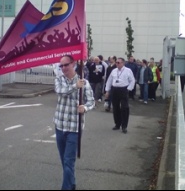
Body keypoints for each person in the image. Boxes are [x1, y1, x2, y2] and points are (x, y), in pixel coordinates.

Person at [54, 55, 95, 190]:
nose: (63, 68)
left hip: (74, 128)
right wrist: (75, 86)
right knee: (64, 161)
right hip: (60, 125)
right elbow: (60, 92)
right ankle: (72, 184)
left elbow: (91, 101)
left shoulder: (84, 83)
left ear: (74, 63)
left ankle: (66, 187)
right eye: (61, 66)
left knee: (68, 161)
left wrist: (85, 108)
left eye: (66, 65)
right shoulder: (59, 80)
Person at [105, 57, 135, 133]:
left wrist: (128, 89)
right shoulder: (114, 71)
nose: (117, 64)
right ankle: (117, 124)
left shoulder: (128, 71)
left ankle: (124, 126)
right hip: (115, 89)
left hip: (123, 89)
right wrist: (107, 91)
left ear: (123, 63)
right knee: (115, 108)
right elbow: (109, 81)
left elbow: (132, 80)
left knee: (124, 108)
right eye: (116, 62)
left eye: (118, 62)